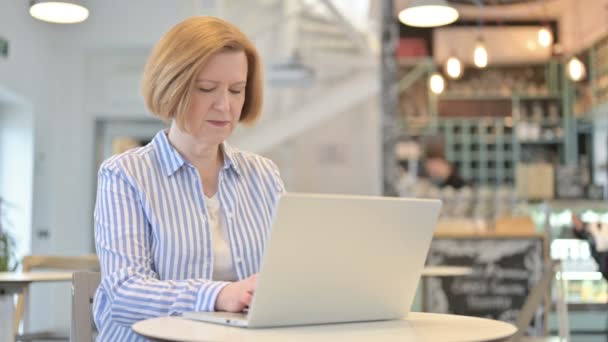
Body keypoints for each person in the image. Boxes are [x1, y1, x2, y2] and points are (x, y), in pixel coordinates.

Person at [92, 16, 285, 340]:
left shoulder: (264, 176)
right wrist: (219, 295)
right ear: (173, 86)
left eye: (237, 90)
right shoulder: (124, 175)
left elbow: (283, 275)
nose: (225, 105)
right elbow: (125, 293)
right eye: (206, 88)